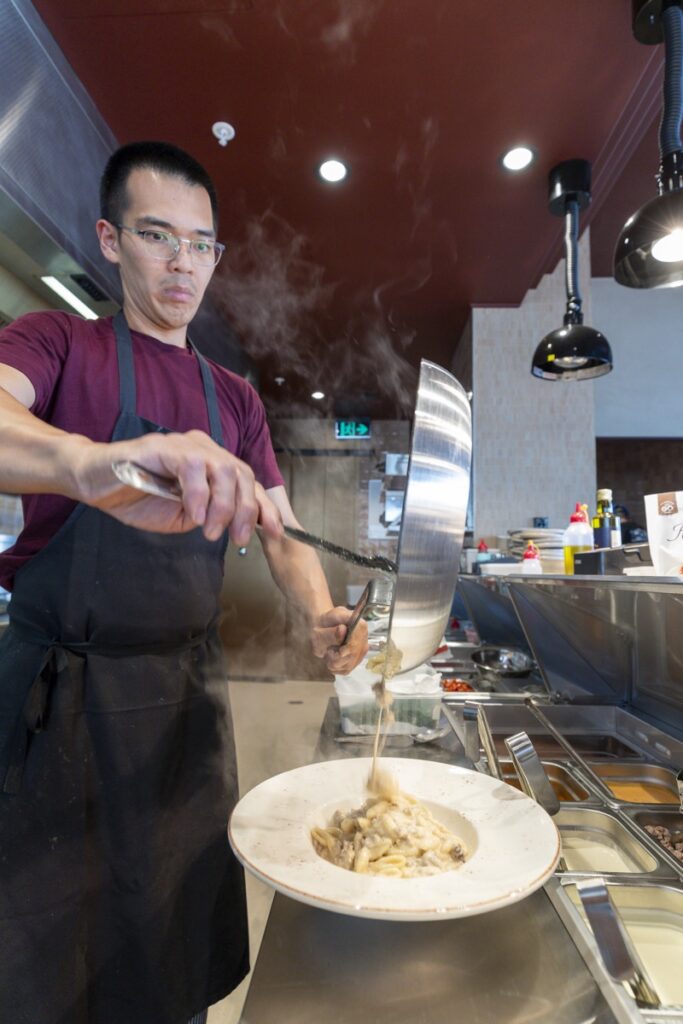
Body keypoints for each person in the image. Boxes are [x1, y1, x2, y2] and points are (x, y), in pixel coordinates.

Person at [0, 141, 367, 1024]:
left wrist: (319, 613)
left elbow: (279, 534)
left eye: (201, 244)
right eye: (157, 236)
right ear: (110, 239)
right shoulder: (56, 342)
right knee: (49, 954)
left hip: (183, 704)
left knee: (169, 947)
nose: (182, 262)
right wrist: (91, 465)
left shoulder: (233, 396)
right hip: (61, 698)